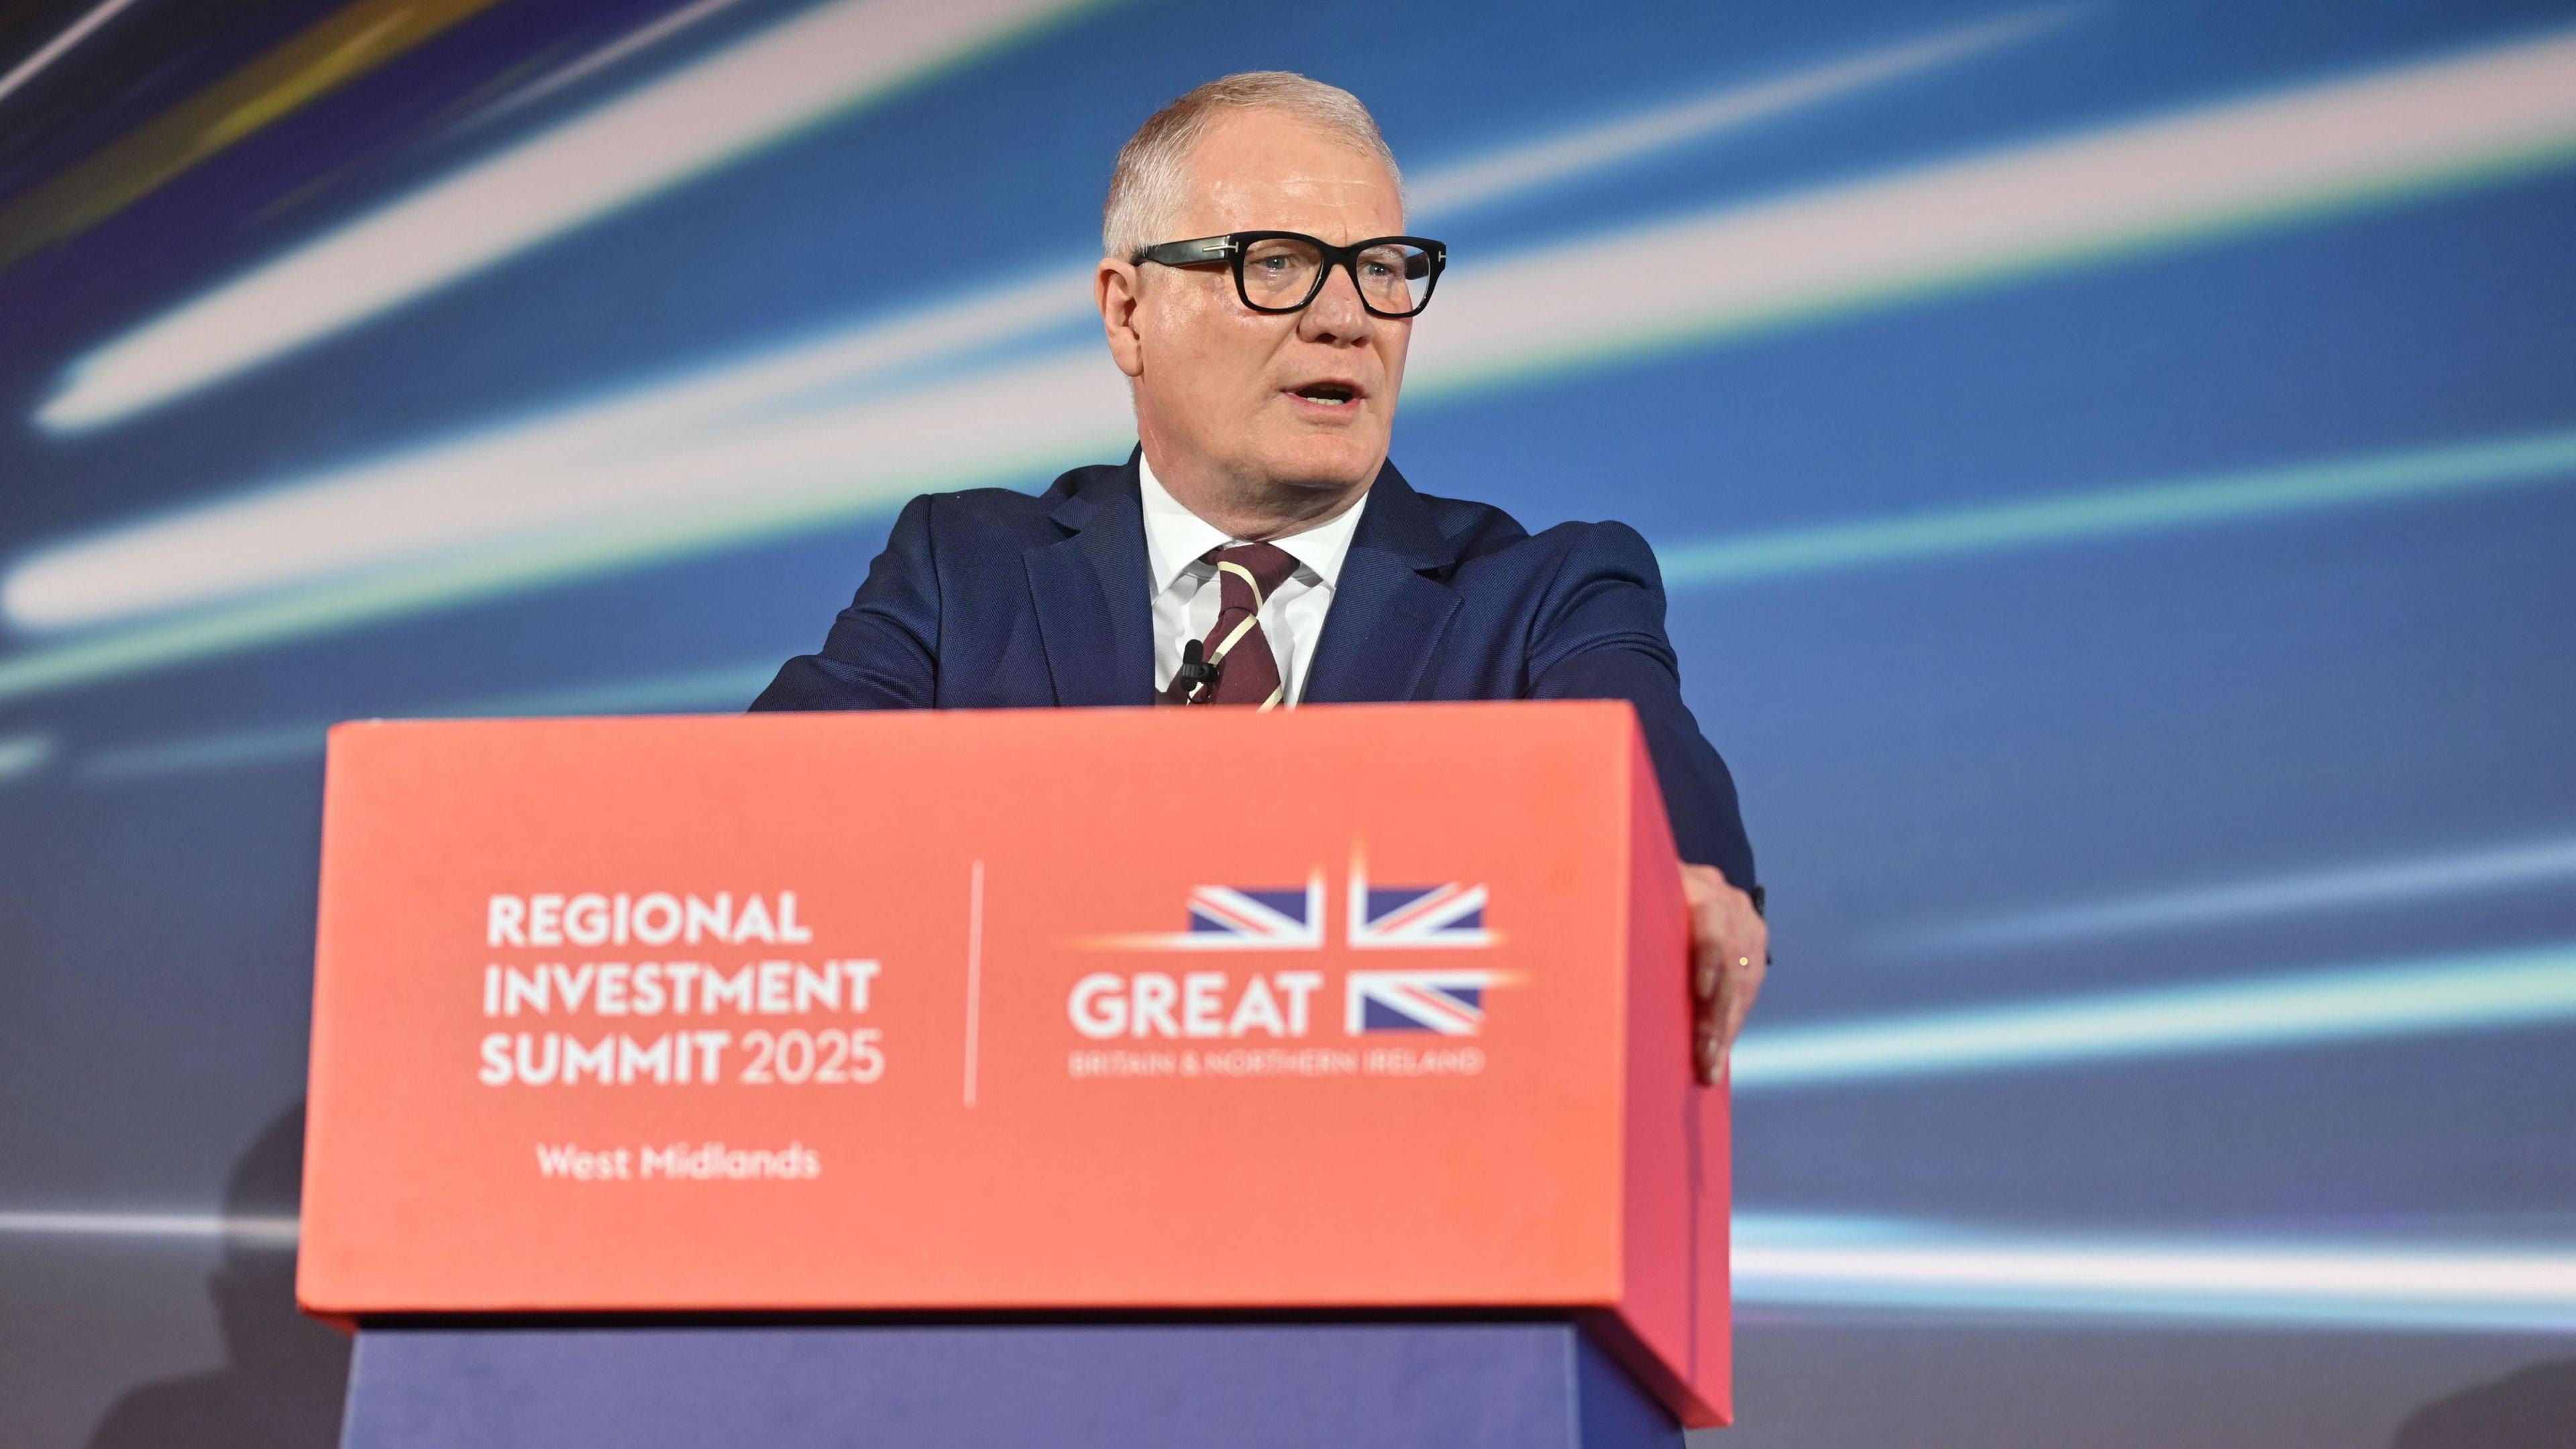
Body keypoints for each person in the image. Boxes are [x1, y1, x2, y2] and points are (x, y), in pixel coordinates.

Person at [753, 72, 1767, 1081]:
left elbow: (1650, 772)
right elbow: (748, 826)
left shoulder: (1543, 596)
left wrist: (1679, 879)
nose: (1347, 319)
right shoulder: (965, 573)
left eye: (1382, 268)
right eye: (1275, 264)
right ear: (1127, 312)